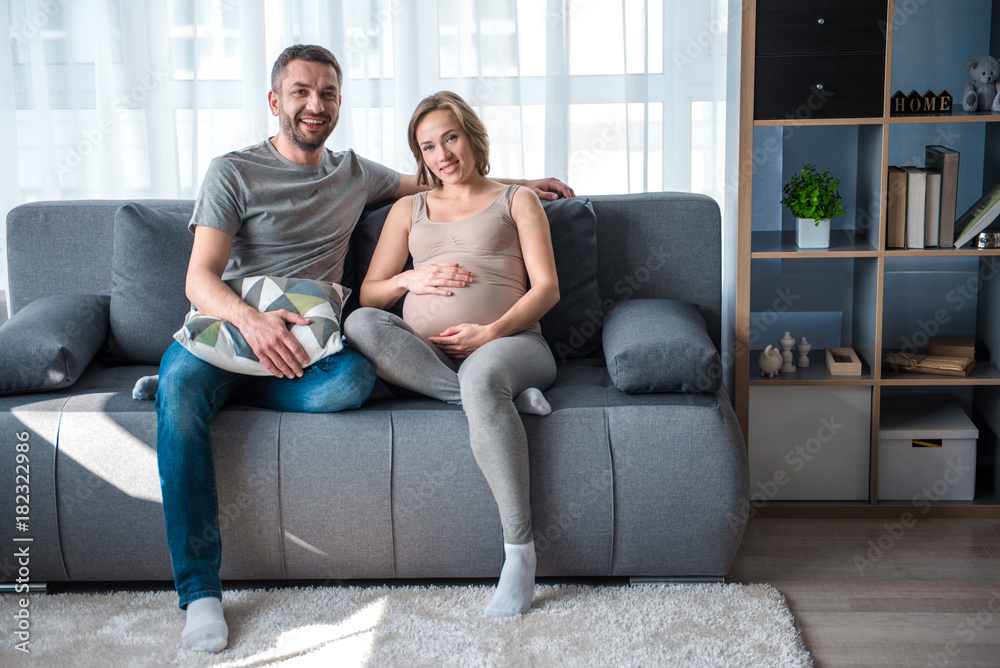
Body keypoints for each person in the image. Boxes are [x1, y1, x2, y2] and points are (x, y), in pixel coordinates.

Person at [155, 46, 573, 653]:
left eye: (326, 93)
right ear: (276, 101)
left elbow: (448, 177)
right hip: (233, 332)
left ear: (340, 104)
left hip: (308, 349)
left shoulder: (355, 173)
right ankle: (200, 593)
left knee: (352, 382)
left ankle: (485, 394)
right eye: (300, 92)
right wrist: (253, 321)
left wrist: (523, 184)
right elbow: (199, 280)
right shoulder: (232, 172)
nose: (314, 105)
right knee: (180, 396)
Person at [343, 91, 561, 618]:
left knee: (484, 376)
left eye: (450, 137)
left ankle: (519, 556)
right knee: (359, 323)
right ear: (419, 157)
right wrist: (408, 278)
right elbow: (370, 294)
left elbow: (547, 289)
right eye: (428, 146)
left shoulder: (517, 199)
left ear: (472, 137)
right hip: (429, 358)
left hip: (513, 344)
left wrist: (490, 333)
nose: (442, 153)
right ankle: (493, 401)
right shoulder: (407, 208)